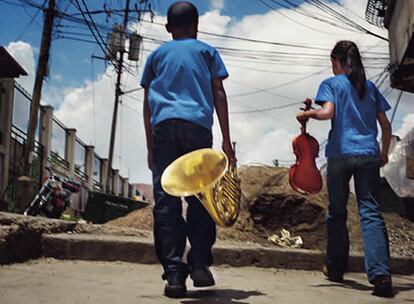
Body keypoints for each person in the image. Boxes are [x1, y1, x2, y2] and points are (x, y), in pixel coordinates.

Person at [140, 1, 235, 299]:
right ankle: (199, 264)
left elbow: (147, 105)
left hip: (164, 129)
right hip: (197, 130)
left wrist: (150, 146)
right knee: (202, 198)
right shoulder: (207, 52)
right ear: (197, 26)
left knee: (166, 203)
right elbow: (218, 91)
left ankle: (173, 274)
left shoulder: (156, 56)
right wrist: (226, 140)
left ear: (168, 28)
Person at [296, 40, 393, 298]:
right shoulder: (369, 87)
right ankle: (381, 274)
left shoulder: (332, 84)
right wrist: (383, 152)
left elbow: (327, 113)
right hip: (368, 155)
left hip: (340, 154)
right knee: (370, 212)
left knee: (337, 212)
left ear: (337, 62)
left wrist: (307, 115)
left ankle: (336, 269)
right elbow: (385, 125)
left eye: (332, 63)